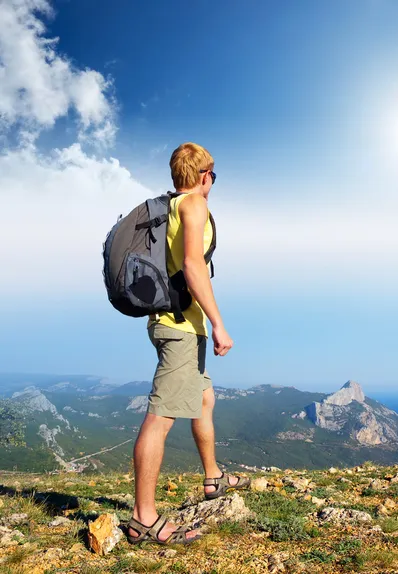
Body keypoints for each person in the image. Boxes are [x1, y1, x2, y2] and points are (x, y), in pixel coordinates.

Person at [126, 143, 249, 546]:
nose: (212, 181)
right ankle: (144, 518)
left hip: (176, 324)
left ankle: (213, 477)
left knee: (204, 398)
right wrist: (219, 324)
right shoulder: (193, 205)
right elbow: (195, 265)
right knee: (160, 418)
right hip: (180, 328)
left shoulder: (170, 207)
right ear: (204, 175)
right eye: (213, 175)